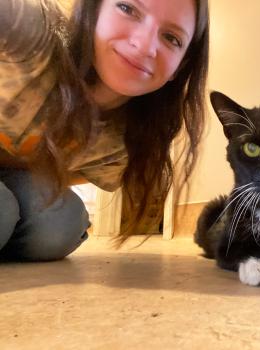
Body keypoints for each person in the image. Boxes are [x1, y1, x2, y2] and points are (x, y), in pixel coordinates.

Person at [0, 0, 209, 261]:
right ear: (93, 10)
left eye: (171, 38)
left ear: (180, 66)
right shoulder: (32, 30)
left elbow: (74, 174)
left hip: (12, 174)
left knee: (61, 222)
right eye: (128, 9)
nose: (144, 45)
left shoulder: (130, 138)